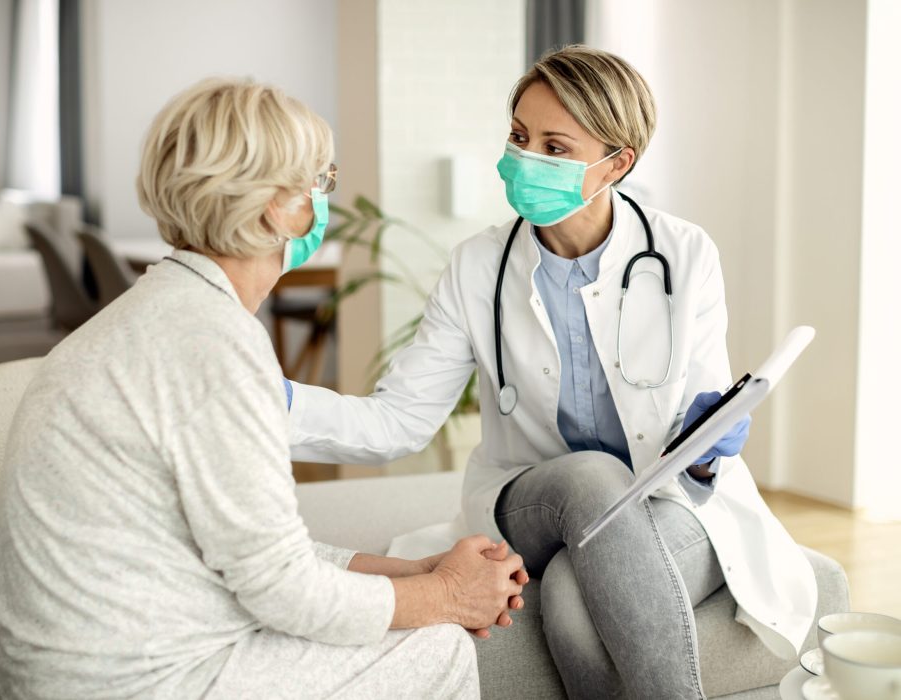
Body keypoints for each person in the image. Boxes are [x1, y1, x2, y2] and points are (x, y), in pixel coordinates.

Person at [286, 45, 817, 699]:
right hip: (531, 501)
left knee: (568, 591)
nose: (525, 159)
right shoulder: (477, 267)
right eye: (519, 136)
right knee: (591, 477)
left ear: (616, 163)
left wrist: (707, 448)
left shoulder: (683, 254)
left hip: (661, 501)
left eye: (555, 147)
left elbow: (695, 431)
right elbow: (398, 421)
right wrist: (266, 400)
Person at [0, 77, 528, 700]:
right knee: (434, 644)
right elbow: (281, 588)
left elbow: (245, 549)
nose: (320, 203)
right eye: (318, 183)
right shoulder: (213, 346)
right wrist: (446, 597)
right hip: (138, 681)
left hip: (82, 667)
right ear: (278, 204)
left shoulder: (153, 316)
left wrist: (412, 571)